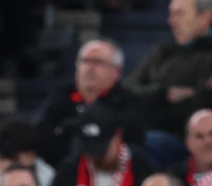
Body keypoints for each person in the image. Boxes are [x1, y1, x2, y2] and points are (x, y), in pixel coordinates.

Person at [127, 0, 212, 166]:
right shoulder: (163, 52)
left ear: (205, 18)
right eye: (171, 14)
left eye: (179, 14)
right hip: (146, 130)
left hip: (181, 141)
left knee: (144, 144)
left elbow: (194, 107)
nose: (171, 21)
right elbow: (127, 89)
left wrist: (146, 105)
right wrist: (163, 94)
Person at [35, 39, 147, 168]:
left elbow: (133, 142)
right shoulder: (61, 97)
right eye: (84, 61)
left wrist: (69, 128)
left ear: (117, 71)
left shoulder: (129, 102)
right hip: (61, 169)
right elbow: (41, 136)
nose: (89, 68)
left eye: (98, 62)